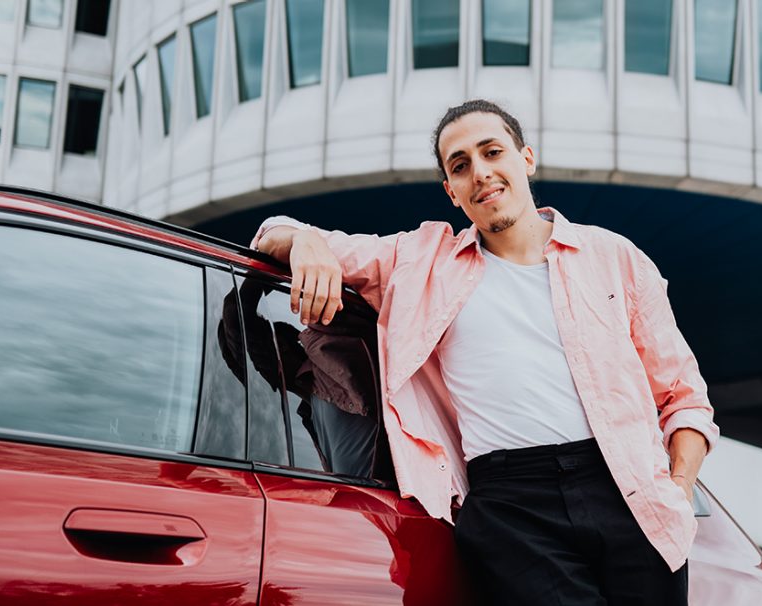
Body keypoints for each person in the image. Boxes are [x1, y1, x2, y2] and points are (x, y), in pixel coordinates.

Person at [251, 99, 719, 605]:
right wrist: (306, 242)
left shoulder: (615, 258)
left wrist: (675, 488)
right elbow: (269, 233)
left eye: (492, 152)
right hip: (510, 505)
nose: (481, 173)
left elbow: (684, 397)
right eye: (460, 165)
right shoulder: (421, 261)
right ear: (450, 191)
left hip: (631, 492)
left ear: (526, 159)